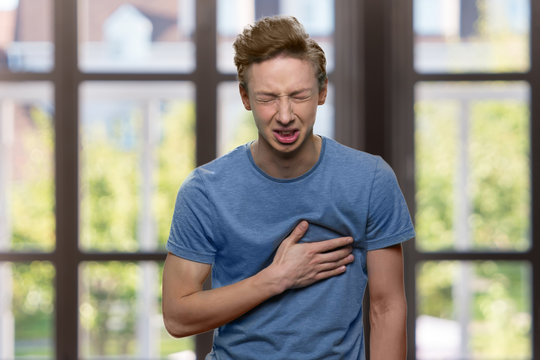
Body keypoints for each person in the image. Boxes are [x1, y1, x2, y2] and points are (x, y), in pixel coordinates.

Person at [162, 15, 415, 360]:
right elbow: (177, 317)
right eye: (268, 98)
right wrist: (275, 279)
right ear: (245, 97)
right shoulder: (204, 191)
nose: (284, 115)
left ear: (322, 91)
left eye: (299, 96)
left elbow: (386, 308)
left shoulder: (370, 180)